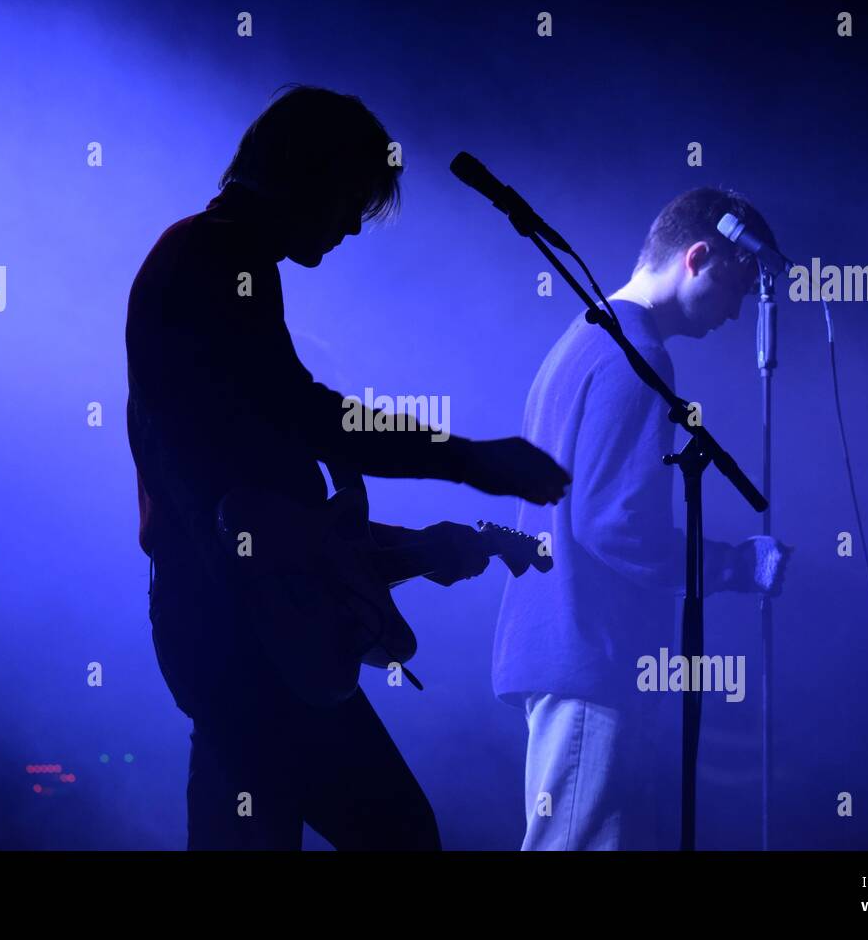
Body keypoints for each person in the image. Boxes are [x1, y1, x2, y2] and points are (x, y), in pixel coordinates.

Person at [125, 85, 570, 850]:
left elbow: (268, 494)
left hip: (228, 628)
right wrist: (470, 459)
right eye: (351, 198)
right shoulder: (214, 259)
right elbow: (312, 422)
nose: (353, 225)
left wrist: (405, 549)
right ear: (306, 170)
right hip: (243, 637)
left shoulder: (223, 261)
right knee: (399, 834)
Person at [493, 188, 792, 850]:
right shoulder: (640, 356)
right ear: (697, 256)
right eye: (738, 286)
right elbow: (613, 523)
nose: (740, 312)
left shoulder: (585, 336)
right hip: (589, 657)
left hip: (567, 650)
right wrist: (738, 565)